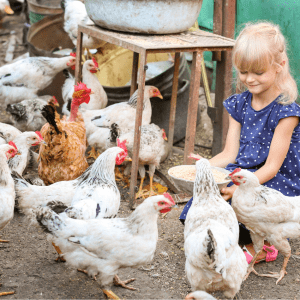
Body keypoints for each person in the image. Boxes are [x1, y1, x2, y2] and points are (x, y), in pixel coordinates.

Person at [180, 21, 300, 262]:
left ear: (279, 66)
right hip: (243, 171)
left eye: (258, 72)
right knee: (206, 199)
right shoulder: (241, 103)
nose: (249, 79)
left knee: (239, 202)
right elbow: (229, 153)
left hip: (272, 180)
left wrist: (237, 188)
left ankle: (263, 245)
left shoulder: (286, 112)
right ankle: (228, 237)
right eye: (243, 72)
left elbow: (272, 167)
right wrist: (202, 170)